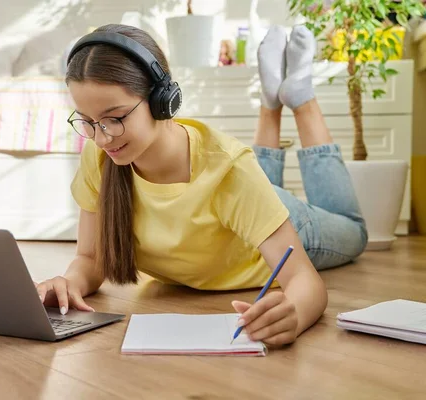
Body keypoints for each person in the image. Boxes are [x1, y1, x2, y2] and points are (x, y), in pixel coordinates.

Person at [36, 23, 368, 346]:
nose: (101, 136)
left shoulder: (229, 170)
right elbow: (91, 257)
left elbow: (304, 280)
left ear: (162, 99)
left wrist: (293, 313)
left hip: (285, 224)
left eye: (116, 118)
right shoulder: (100, 157)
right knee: (249, 181)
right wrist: (69, 283)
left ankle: (302, 100)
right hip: (240, 208)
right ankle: (270, 104)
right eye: (89, 121)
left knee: (354, 233)